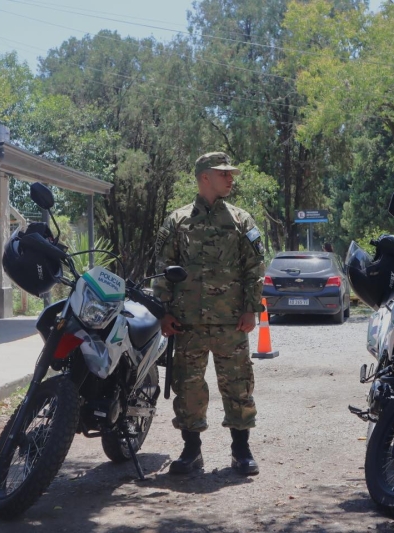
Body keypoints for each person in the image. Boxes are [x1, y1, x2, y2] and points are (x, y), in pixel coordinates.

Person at [153, 152, 266, 476]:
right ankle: (191, 451)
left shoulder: (241, 220)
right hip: (187, 323)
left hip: (232, 322)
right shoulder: (177, 221)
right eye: (224, 174)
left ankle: (241, 450)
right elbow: (163, 269)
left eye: (231, 173)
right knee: (188, 388)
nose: (231, 179)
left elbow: (254, 268)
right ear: (205, 176)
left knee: (238, 385)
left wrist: (250, 309)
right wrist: (163, 313)